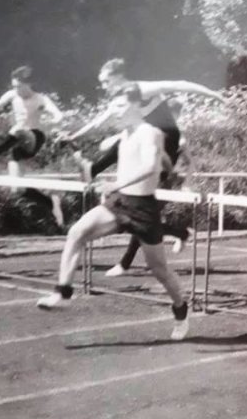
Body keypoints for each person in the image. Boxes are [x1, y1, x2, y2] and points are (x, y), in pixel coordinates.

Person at [36, 83, 191, 340]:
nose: (114, 112)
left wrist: (122, 181)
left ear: (137, 105)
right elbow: (159, 161)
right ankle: (63, 292)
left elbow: (150, 167)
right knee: (76, 233)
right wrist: (168, 166)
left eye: (119, 106)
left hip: (143, 209)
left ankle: (181, 310)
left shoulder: (150, 132)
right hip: (119, 203)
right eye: (112, 106)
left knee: (159, 269)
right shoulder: (125, 135)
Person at [60, 58, 224, 274]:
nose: (104, 86)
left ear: (118, 76)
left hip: (167, 139)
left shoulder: (144, 88)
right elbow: (98, 122)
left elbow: (181, 84)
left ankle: (95, 170)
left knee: (142, 195)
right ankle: (177, 234)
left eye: (106, 81)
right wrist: (72, 135)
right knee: (140, 201)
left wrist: (214, 94)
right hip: (149, 142)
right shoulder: (121, 100)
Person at [0, 65, 66, 226]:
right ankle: (51, 203)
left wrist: (55, 120)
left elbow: (58, 114)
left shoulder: (40, 99)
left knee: (19, 130)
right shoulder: (12, 95)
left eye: (19, 86)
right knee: (17, 189)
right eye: (14, 86)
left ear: (28, 84)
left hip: (35, 138)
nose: (16, 90)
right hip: (17, 145)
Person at [104, 135, 196, 277]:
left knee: (142, 220)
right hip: (145, 181)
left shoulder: (178, 139)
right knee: (145, 222)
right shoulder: (147, 133)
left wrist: (187, 184)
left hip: (163, 183)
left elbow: (191, 163)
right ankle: (181, 233)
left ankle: (124, 264)